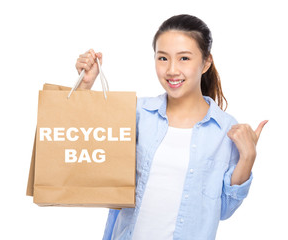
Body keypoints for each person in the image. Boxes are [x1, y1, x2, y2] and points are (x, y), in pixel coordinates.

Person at [75, 14, 268, 240]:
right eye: (163, 58)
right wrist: (84, 87)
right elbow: (86, 148)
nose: (172, 70)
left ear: (206, 62)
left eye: (184, 58)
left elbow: (223, 210)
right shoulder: (137, 113)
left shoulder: (225, 129)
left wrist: (248, 157)